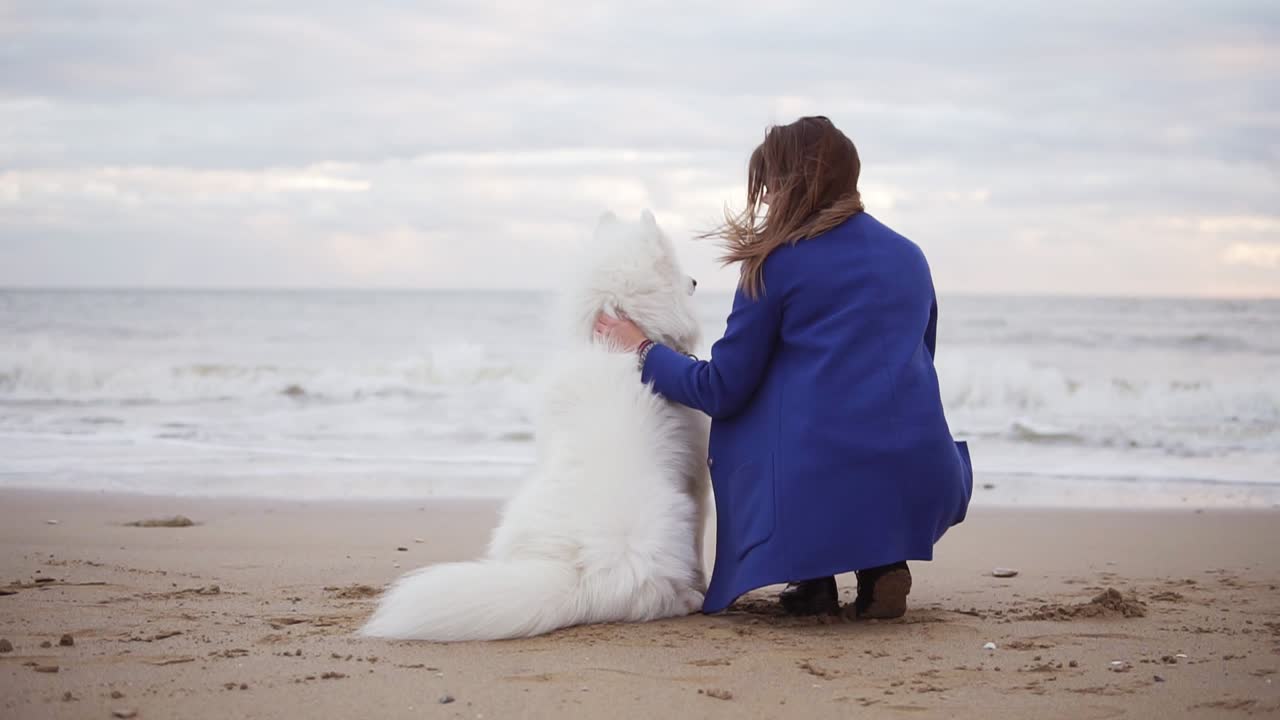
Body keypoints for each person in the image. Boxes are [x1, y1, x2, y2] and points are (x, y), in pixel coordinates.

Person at [594, 116, 972, 619]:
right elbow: (918, 362)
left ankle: (812, 575)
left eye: (771, 184)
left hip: (819, 488)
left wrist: (641, 348)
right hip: (922, 476)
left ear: (796, 183)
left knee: (756, 411)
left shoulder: (778, 262)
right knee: (854, 391)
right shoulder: (910, 256)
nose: (767, 199)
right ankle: (881, 565)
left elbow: (721, 388)